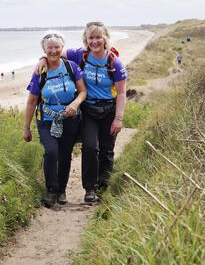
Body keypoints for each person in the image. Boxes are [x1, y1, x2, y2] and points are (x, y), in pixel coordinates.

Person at [37, 22, 128, 202]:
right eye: (91, 37)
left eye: (98, 37)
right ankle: (90, 189)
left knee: (107, 150)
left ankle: (103, 187)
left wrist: (118, 118)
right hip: (88, 110)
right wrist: (41, 60)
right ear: (86, 40)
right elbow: (54, 53)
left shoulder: (114, 62)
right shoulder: (80, 54)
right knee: (91, 147)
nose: (94, 41)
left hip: (109, 110)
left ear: (105, 39)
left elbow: (122, 93)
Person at [23, 31, 87, 207]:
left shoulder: (71, 67)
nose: (53, 51)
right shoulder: (40, 71)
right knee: (51, 152)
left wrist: (75, 104)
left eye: (57, 47)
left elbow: (83, 91)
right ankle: (51, 191)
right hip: (46, 120)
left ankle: (62, 190)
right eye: (49, 48)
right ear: (44, 50)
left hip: (70, 119)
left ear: (62, 48)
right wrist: (26, 127)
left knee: (65, 155)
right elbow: (31, 102)